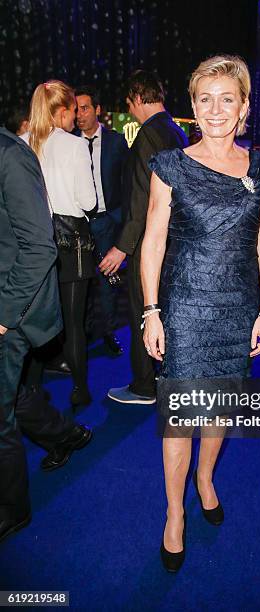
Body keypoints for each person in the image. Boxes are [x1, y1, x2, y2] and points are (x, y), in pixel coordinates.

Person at [141, 55, 260, 571]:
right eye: (205, 99)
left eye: (228, 98)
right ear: (193, 107)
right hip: (186, 307)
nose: (216, 109)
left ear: (244, 105)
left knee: (220, 407)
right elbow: (152, 241)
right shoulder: (171, 166)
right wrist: (151, 311)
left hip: (239, 307)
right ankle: (174, 513)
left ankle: (205, 479)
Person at [0, 127, 92, 545]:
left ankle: (12, 510)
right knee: (15, 395)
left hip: (12, 308)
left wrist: (3, 317)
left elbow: (40, 247)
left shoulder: (11, 156)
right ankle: (65, 434)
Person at [105, 70, 188, 405]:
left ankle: (143, 386)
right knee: (166, 311)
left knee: (145, 309)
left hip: (149, 242)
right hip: (175, 240)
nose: (131, 109)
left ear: (137, 97)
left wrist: (122, 248)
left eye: (129, 102)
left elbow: (141, 199)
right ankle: (166, 378)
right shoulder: (177, 132)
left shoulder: (147, 136)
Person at [23, 81, 97, 407]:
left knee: (40, 319)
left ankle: (32, 388)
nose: (76, 117)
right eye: (73, 111)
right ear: (63, 110)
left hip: (33, 242)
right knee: (74, 321)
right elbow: (88, 201)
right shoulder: (75, 146)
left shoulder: (21, 143)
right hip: (72, 241)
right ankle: (80, 390)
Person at [75, 85, 129, 355]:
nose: (79, 114)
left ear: (97, 110)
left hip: (108, 221)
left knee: (109, 281)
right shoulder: (68, 142)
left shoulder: (116, 142)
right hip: (78, 225)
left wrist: (121, 219)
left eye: (85, 108)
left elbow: (126, 182)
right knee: (80, 282)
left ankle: (108, 332)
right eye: (76, 110)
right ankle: (82, 334)